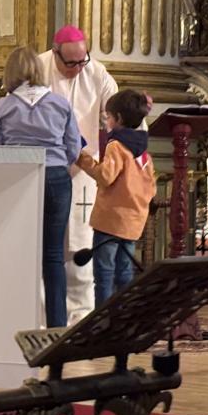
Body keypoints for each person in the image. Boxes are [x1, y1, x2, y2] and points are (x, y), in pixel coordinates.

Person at [0, 47, 81, 328]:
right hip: (56, 177)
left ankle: (16, 321)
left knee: (18, 250)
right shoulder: (60, 104)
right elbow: (74, 147)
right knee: (53, 255)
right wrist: (58, 162)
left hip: (18, 178)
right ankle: (57, 326)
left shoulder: (3, 107)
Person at [37, 25, 118, 323]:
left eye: (82, 61)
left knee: (80, 244)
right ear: (55, 53)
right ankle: (42, 317)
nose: (77, 68)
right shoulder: (39, 67)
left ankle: (81, 318)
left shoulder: (96, 72)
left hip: (84, 169)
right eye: (71, 63)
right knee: (44, 246)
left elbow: (117, 112)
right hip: (44, 168)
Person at [76, 89, 155, 308]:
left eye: (108, 116)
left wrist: (82, 159)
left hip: (110, 221)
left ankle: (104, 320)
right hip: (132, 223)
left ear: (118, 118)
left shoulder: (116, 145)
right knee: (125, 273)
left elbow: (105, 176)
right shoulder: (143, 151)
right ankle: (123, 317)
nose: (107, 121)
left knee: (104, 274)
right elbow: (151, 188)